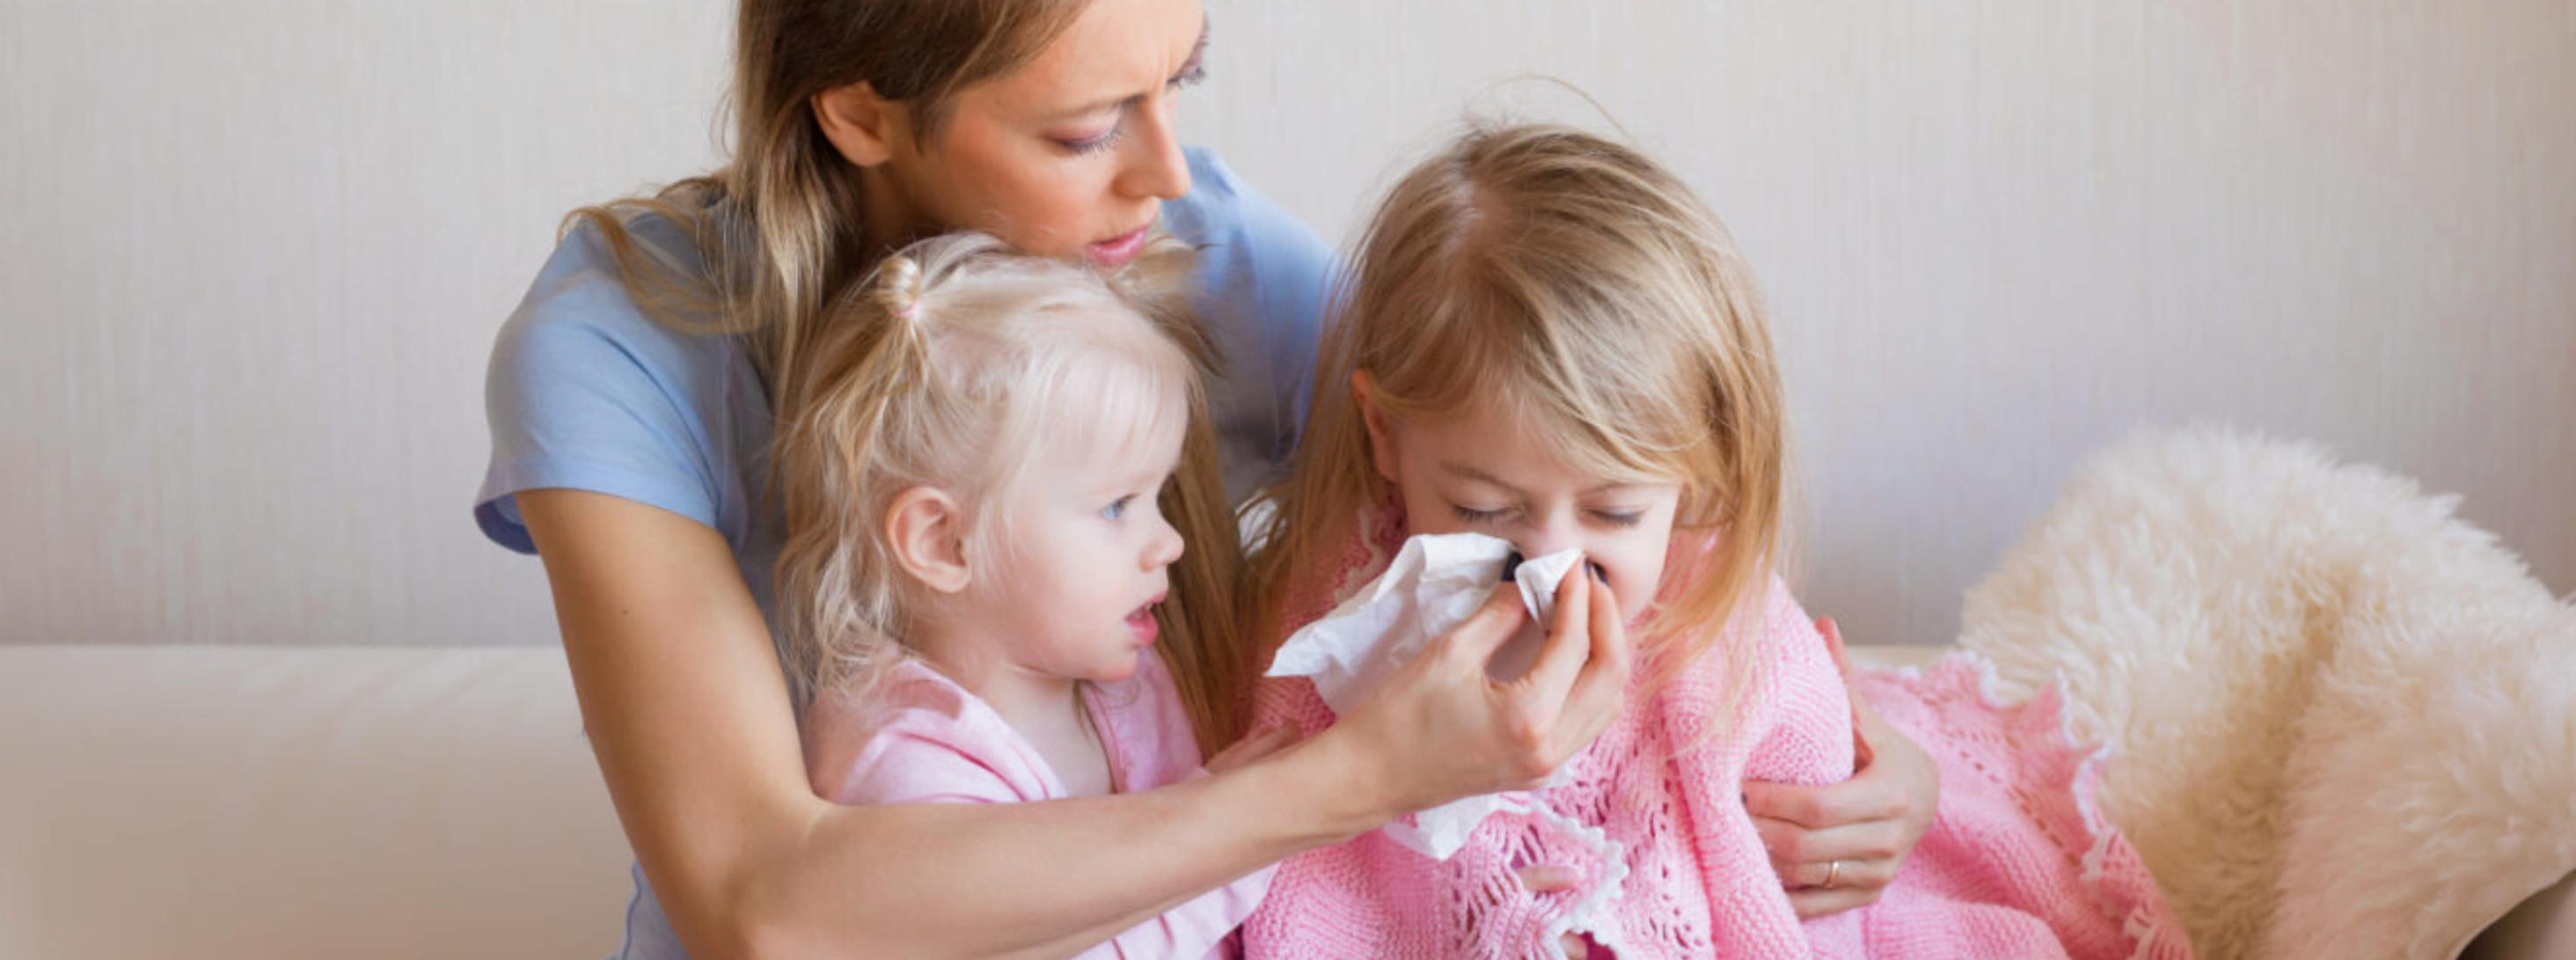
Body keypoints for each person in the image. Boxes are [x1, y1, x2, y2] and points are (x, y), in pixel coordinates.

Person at [475, 2, 1934, 956]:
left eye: (1181, 80)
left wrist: (1856, 749)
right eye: (1083, 126)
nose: (1168, 173)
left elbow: (1560, 440)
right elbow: (760, 902)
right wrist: (1356, 777)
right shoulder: (624, 341)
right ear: (859, 113)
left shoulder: (1193, 247)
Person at [1239, 122, 2187, 959]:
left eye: (1612, 512)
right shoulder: (1337, 611)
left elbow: (1813, 839)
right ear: (1383, 436)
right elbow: (1290, 871)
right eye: (1485, 508)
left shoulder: (1713, 619)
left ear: (1691, 476)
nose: (1551, 555)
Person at [779, 232, 1276, 958]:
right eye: (1116, 506)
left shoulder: (1133, 680)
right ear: (943, 542)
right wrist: (1254, 835)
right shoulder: (904, 763)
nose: (1169, 542)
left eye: (1158, 496)